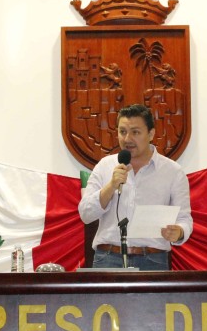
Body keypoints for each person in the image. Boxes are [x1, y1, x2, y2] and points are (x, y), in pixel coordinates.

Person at [78, 104, 193, 270]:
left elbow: (184, 219)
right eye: (122, 132)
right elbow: (86, 214)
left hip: (153, 260)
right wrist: (111, 186)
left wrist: (179, 231)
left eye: (135, 132)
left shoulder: (172, 171)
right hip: (108, 258)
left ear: (151, 134)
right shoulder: (105, 166)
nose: (127, 139)